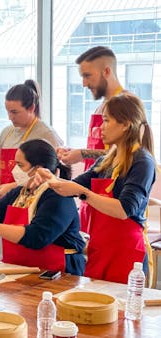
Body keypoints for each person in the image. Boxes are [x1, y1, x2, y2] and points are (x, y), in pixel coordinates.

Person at [34, 93, 156, 284]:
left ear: (126, 124)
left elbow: (124, 210)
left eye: (107, 121)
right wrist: (49, 178)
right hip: (100, 249)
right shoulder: (106, 161)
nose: (101, 128)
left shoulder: (142, 162)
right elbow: (74, 186)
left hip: (126, 252)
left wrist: (84, 194)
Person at [0, 139, 85, 275]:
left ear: (39, 169)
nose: (14, 170)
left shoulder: (59, 196)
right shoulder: (20, 191)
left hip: (57, 272)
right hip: (19, 267)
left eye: (20, 165)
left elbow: (38, 237)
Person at [57, 46, 127, 234]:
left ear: (106, 71)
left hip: (113, 199)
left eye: (88, 76)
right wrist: (74, 152)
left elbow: (129, 153)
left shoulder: (128, 105)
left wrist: (82, 154)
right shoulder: (101, 108)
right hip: (93, 191)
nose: (84, 84)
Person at [0, 79, 63, 199]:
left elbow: (49, 176)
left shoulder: (46, 134)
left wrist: (13, 187)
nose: (10, 117)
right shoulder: (6, 132)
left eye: (15, 112)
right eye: (8, 111)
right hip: (5, 198)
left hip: (32, 199)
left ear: (31, 108)